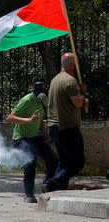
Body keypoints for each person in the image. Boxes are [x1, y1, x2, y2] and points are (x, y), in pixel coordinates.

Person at [8, 77, 58, 203]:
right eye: (37, 86)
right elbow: (11, 118)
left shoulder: (43, 101)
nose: (39, 89)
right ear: (32, 88)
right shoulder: (26, 100)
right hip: (21, 138)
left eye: (42, 86)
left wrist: (47, 136)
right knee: (31, 160)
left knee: (53, 160)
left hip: (36, 137)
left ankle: (47, 187)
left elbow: (40, 119)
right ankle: (28, 194)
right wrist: (29, 120)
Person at [44, 52, 88, 192]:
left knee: (64, 162)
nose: (76, 67)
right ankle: (53, 182)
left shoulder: (55, 80)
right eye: (75, 64)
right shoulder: (70, 80)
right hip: (67, 127)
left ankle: (56, 189)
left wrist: (79, 92)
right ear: (71, 65)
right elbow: (78, 103)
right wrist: (83, 96)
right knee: (77, 162)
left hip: (54, 127)